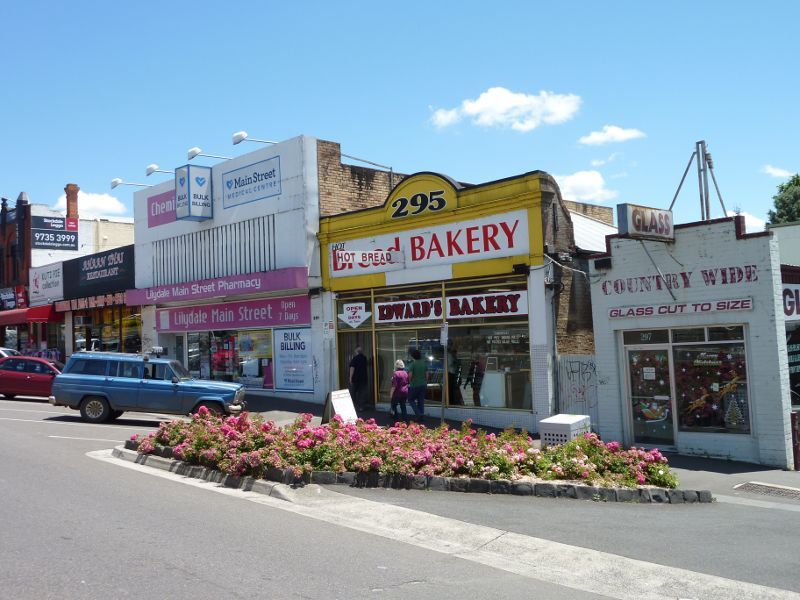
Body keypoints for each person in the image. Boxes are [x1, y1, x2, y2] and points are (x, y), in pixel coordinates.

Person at [406, 347, 427, 423]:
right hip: (423, 384)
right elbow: (427, 375)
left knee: (410, 399)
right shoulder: (424, 363)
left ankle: (418, 414)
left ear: (413, 356)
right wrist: (425, 381)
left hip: (415, 385)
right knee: (421, 400)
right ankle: (421, 415)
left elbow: (410, 375)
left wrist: (409, 381)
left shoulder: (413, 364)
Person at [349, 346, 369, 411]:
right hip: (363, 378)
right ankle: (361, 407)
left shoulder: (355, 358)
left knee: (353, 393)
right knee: (362, 393)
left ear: (356, 351)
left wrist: (350, 377)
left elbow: (352, 368)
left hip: (356, 379)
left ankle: (353, 406)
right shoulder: (364, 358)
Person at [446, 341, 463, 405]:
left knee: (453, 388)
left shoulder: (450, 354)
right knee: (453, 388)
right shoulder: (450, 354)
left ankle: (453, 401)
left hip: (452, 373)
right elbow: (450, 364)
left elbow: (450, 364)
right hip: (452, 373)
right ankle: (453, 401)